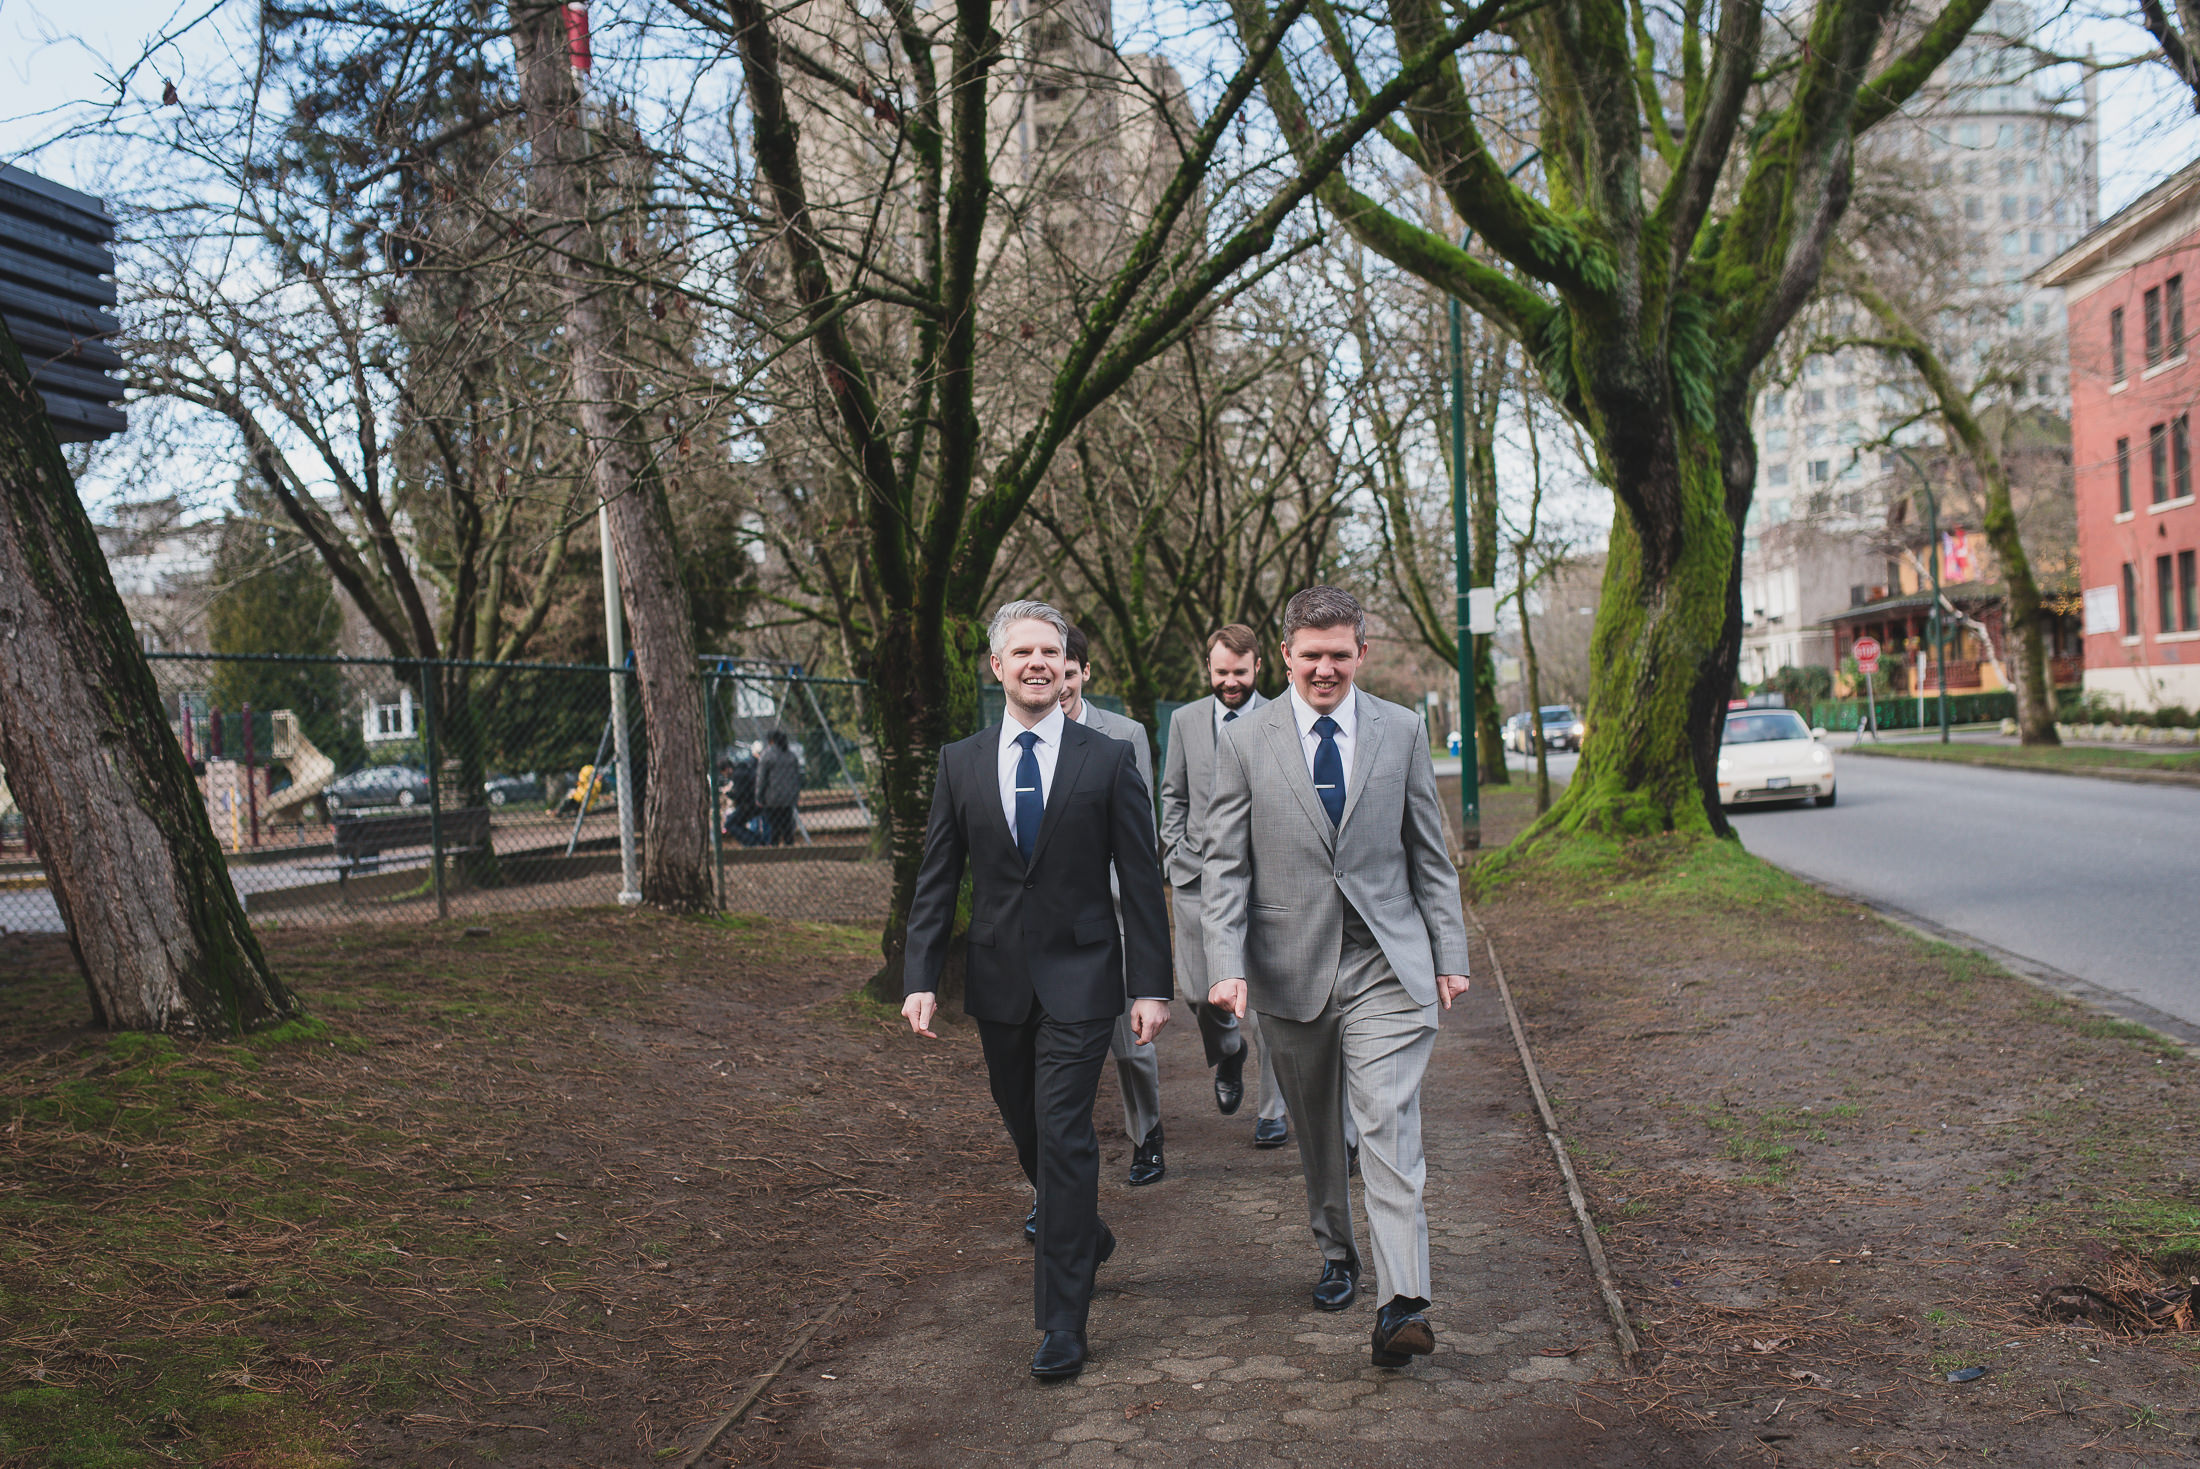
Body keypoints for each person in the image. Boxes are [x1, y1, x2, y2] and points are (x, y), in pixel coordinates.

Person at [1201, 585, 1471, 1371]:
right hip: (1291, 968)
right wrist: (1225, 963)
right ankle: (1336, 1249)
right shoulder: (1248, 742)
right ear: (1284, 655)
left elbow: (1429, 851)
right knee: (1319, 1129)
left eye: (1339, 655)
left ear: (1362, 653)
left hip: (1388, 961)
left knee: (1386, 1123)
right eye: (1311, 655)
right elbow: (1224, 864)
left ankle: (1403, 1301)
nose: (1325, 669)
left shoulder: (1402, 730)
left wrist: (1448, 952)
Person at [902, 599, 1172, 1381]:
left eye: (1049, 651)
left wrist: (1151, 984)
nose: (1037, 663)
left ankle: (1061, 1320)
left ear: (1067, 665)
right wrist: (922, 975)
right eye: (1022, 652)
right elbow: (937, 877)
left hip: (1086, 977)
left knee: (1063, 1134)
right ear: (999, 667)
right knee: (1026, 1127)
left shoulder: (1106, 757)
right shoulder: (960, 760)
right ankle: (1081, 1226)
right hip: (997, 981)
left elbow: (1143, 878)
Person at [1158, 625, 1287, 1145]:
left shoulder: (1282, 718)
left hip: (1266, 882)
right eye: (1220, 672)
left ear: (1258, 667)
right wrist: (1177, 853)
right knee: (1198, 993)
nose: (1230, 681)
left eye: (1239, 671)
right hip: (1196, 879)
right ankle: (1228, 1052)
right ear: (1208, 670)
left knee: (1271, 1006)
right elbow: (1173, 796)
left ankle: (1274, 1110)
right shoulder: (1185, 721)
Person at [1059, 623, 1166, 1187]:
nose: (1062, 686)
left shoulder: (1125, 734)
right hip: (1056, 917)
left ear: (1084, 672)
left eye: (1071, 674)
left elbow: (1137, 827)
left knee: (1132, 1046)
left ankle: (1147, 1135)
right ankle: (1053, 1176)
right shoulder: (1028, 733)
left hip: (1115, 911)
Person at [755, 730, 803, 846]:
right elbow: (797, 777)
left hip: (772, 797)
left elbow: (761, 779)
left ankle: (774, 847)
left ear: (771, 741)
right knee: (787, 823)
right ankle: (789, 846)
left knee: (774, 825)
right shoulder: (791, 756)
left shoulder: (766, 756)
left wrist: (759, 796)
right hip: (789, 797)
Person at [720, 754, 763, 846]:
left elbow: (740, 795)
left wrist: (728, 793)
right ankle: (756, 840)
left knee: (730, 824)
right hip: (753, 804)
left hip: (748, 806)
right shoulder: (743, 770)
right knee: (735, 822)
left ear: (727, 769)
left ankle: (753, 842)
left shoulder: (737, 775)